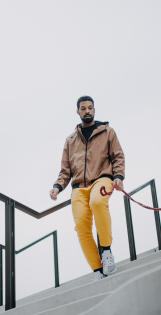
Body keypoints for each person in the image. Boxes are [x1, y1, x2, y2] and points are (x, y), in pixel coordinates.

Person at [50, 96, 125, 281]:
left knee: (98, 202)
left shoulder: (107, 131)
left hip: (102, 178)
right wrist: (57, 186)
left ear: (94, 109)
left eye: (90, 108)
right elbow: (65, 170)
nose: (87, 111)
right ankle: (97, 270)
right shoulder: (70, 140)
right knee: (81, 226)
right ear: (78, 112)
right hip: (78, 187)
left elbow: (118, 156)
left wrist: (118, 176)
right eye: (83, 108)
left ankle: (106, 251)